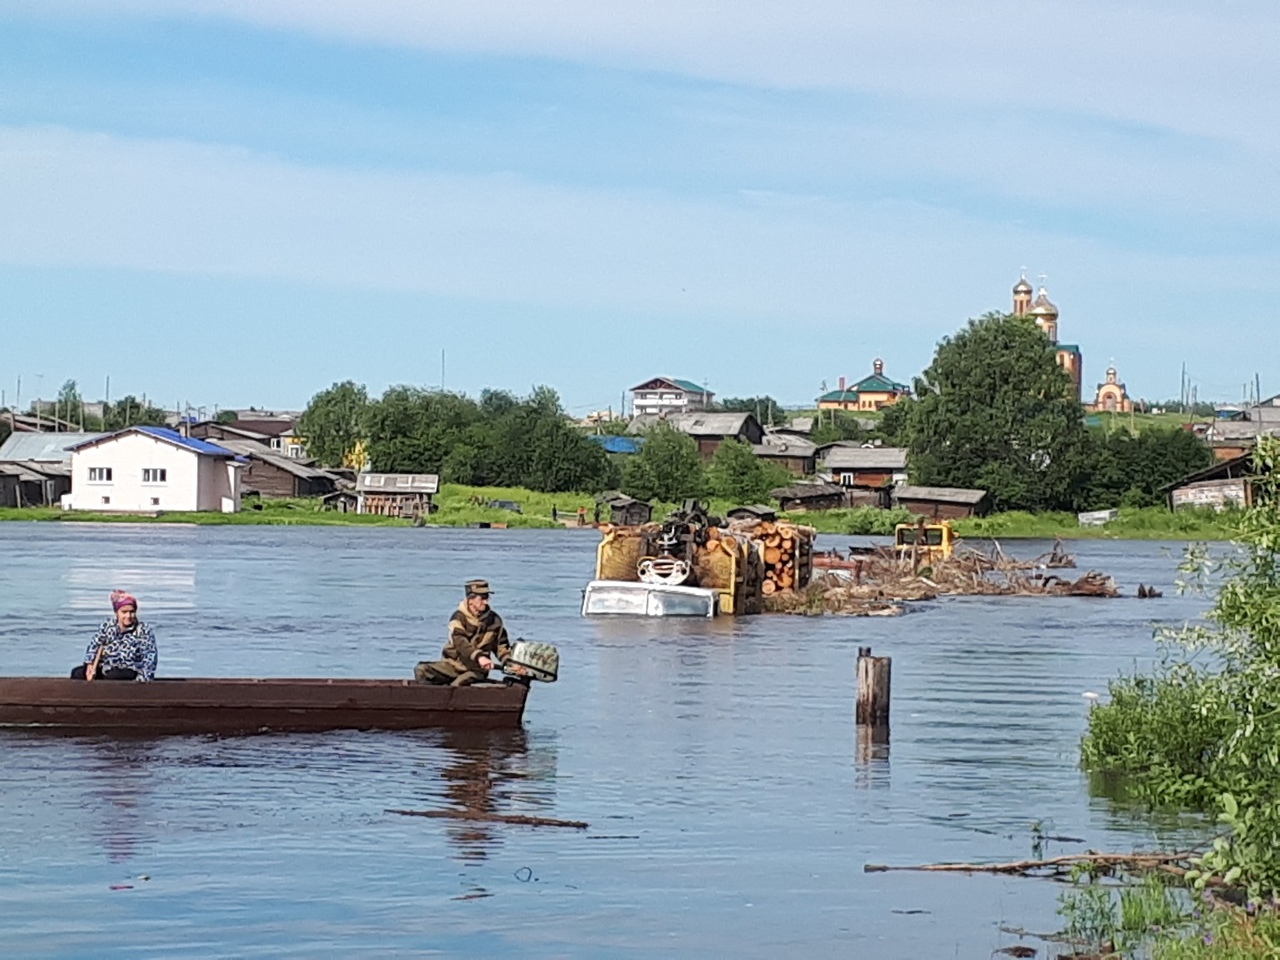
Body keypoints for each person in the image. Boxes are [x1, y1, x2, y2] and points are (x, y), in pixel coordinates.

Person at [415, 580, 512, 686]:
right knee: (421, 670)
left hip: (476, 670)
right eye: (482, 598)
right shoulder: (458, 618)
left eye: (487, 598)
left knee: (458, 686)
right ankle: (432, 698)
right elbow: (460, 642)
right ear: (470, 600)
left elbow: (502, 648)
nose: (486, 602)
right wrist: (479, 657)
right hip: (452, 665)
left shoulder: (495, 621)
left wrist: (510, 663)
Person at [71, 590, 157, 682]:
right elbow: (94, 646)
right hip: (106, 667)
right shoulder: (107, 626)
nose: (128, 616)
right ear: (117, 612)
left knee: (113, 675)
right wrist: (89, 665)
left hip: (130, 669)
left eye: (132, 612)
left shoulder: (143, 630)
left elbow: (150, 657)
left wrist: (144, 678)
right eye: (124, 612)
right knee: (77, 673)